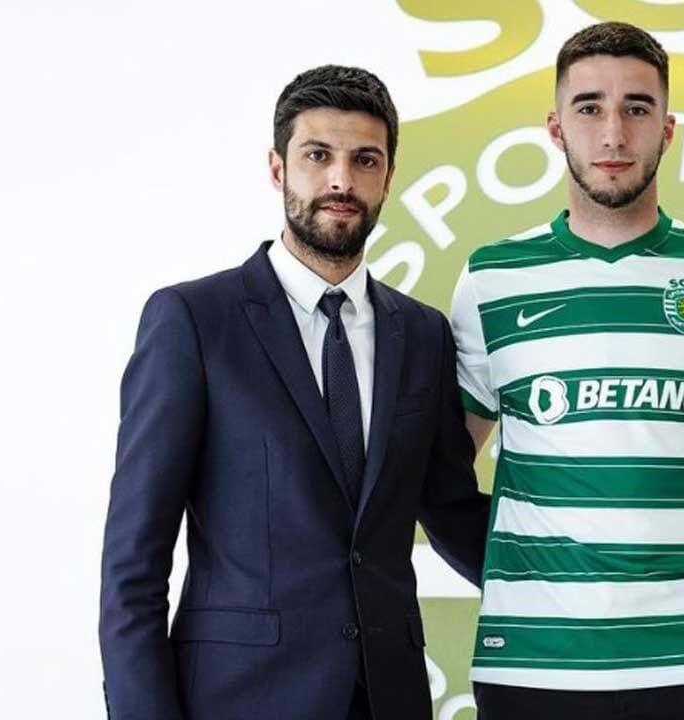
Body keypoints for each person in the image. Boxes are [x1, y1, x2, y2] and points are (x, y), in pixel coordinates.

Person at [98, 65, 490, 720]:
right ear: (278, 168)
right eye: (318, 156)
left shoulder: (423, 334)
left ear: (388, 176)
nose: (341, 180)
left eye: (365, 160)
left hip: (390, 697)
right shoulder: (193, 321)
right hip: (239, 697)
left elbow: (451, 509)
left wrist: (586, 584)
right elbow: (133, 564)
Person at [449, 22, 684, 720]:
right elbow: (442, 470)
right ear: (556, 128)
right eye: (589, 108)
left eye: (637, 108)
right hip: (533, 661)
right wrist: (516, 568)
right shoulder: (490, 278)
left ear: (668, 129)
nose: (613, 134)